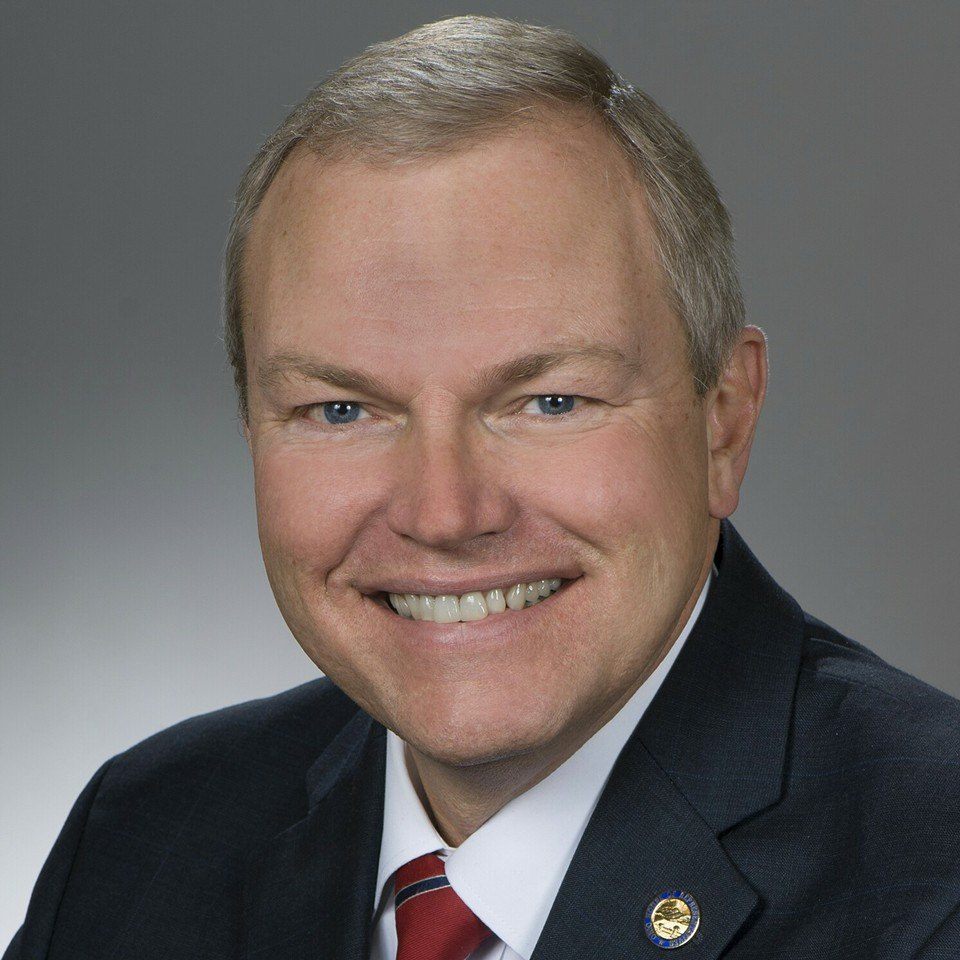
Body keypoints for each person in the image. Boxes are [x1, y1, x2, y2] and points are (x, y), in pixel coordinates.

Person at [6, 14, 959, 960]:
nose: (444, 514)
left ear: (724, 420)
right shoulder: (140, 840)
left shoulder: (932, 880)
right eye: (341, 410)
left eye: (550, 401)